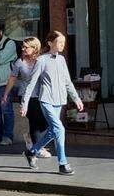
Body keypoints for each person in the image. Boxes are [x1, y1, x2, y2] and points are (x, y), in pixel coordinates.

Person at [21, 31, 84, 176]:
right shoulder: (41, 60)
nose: (62, 45)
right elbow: (31, 84)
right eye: (59, 42)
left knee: (52, 132)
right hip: (46, 100)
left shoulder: (61, 60)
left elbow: (67, 82)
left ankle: (31, 153)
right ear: (50, 43)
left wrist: (77, 99)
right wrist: (24, 104)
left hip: (59, 100)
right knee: (59, 129)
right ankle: (63, 163)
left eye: (63, 42)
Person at [3, 37, 52, 159]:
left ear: (34, 48)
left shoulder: (41, 60)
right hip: (26, 96)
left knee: (45, 122)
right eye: (22, 47)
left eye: (26, 47)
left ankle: (34, 140)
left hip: (42, 95)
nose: (23, 49)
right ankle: (38, 148)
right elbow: (12, 78)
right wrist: (6, 94)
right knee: (34, 121)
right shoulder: (19, 62)